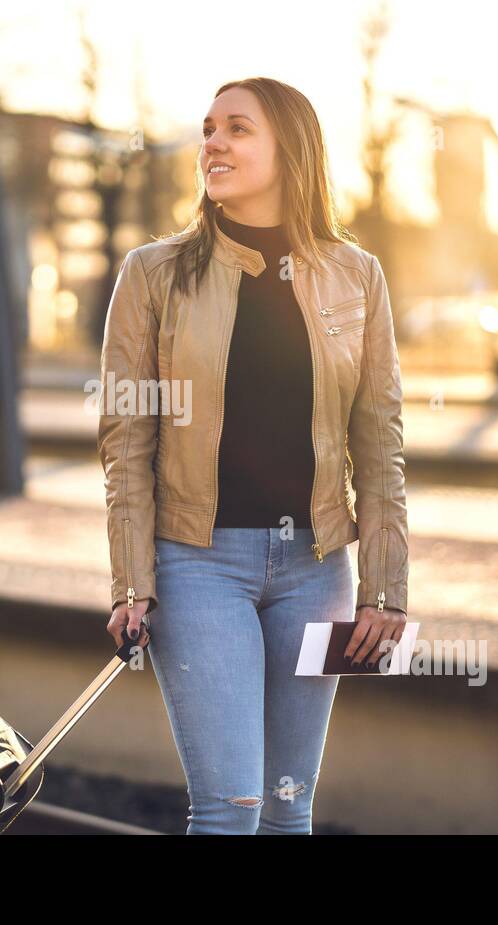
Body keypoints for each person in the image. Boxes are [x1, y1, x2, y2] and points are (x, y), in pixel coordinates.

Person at [98, 76, 409, 834]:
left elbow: (380, 441)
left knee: (286, 806)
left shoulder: (356, 274)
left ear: (290, 149)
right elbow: (126, 441)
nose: (213, 142)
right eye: (208, 128)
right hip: (197, 566)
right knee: (231, 806)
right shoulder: (155, 273)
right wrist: (132, 580)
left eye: (237, 128)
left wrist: (385, 588)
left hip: (319, 570)